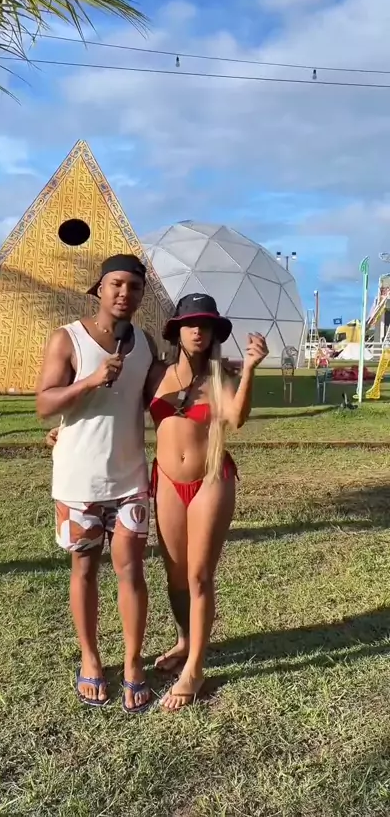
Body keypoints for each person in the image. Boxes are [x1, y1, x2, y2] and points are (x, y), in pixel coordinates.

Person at [36, 253, 158, 713]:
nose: (125, 293)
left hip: (130, 480)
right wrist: (90, 380)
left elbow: (155, 400)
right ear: (99, 289)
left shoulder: (145, 344)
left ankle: (132, 664)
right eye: (117, 284)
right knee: (84, 570)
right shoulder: (67, 338)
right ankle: (90, 658)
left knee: (132, 571)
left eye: (135, 287)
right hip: (78, 481)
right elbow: (44, 405)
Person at [146, 293, 268, 711]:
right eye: (190, 324)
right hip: (166, 481)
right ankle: (184, 642)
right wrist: (66, 431)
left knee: (199, 576)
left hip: (210, 479)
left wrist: (249, 368)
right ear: (176, 331)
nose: (198, 330)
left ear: (215, 332)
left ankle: (194, 670)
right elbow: (116, 409)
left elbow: (236, 418)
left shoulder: (223, 377)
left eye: (206, 324)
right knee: (175, 577)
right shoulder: (155, 374)